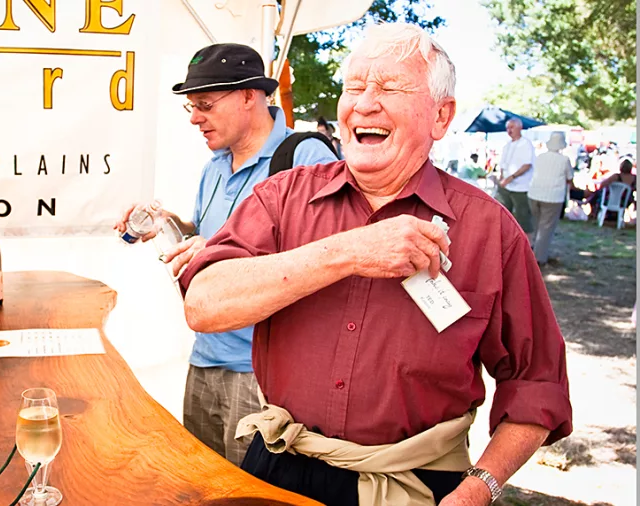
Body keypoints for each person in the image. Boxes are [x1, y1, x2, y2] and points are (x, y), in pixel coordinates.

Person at [180, 23, 571, 506]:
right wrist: (349, 251)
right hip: (278, 467)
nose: (363, 104)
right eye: (354, 87)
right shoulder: (283, 196)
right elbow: (204, 304)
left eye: (389, 87)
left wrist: (480, 488)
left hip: (416, 484)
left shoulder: (489, 229)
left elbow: (537, 382)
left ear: (441, 116)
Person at [114, 43, 336, 467]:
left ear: (250, 96)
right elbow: (207, 236)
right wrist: (165, 223)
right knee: (202, 486)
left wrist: (214, 249)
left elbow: (325, 259)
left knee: (252, 496)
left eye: (205, 105)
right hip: (205, 357)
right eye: (191, 107)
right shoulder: (214, 166)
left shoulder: (305, 156)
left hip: (265, 373)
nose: (196, 118)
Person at [527, 132, 573, 266]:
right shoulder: (564, 160)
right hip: (553, 197)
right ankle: (538, 257)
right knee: (546, 228)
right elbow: (569, 178)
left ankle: (531, 251)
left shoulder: (540, 157)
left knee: (535, 225)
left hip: (535, 193)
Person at [496, 118, 535, 233]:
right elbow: (503, 165)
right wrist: (502, 177)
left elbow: (527, 165)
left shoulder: (526, 144)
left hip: (521, 187)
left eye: (512, 127)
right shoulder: (507, 145)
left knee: (523, 218)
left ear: (519, 128)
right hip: (505, 186)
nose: (509, 130)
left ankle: (527, 245)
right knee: (502, 214)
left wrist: (510, 178)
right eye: (507, 128)